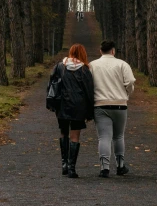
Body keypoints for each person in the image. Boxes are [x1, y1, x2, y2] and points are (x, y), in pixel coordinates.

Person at [90, 40, 135, 177]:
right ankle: (120, 165)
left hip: (100, 104)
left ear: (100, 51)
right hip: (120, 104)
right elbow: (130, 81)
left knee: (104, 137)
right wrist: (127, 93)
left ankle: (104, 168)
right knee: (119, 136)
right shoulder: (122, 64)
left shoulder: (93, 65)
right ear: (113, 51)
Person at [49, 43, 94, 178]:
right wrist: (90, 110)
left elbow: (52, 83)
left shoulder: (60, 66)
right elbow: (89, 91)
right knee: (75, 136)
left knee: (64, 132)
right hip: (78, 106)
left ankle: (64, 164)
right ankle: (71, 167)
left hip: (62, 105)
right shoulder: (85, 70)